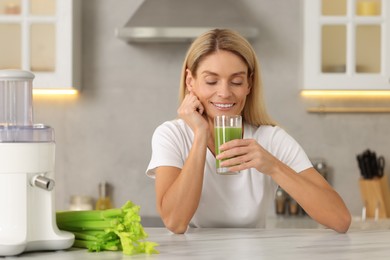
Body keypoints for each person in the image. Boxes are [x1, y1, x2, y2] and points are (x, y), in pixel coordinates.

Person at [146, 28, 351, 234]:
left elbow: (340, 220)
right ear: (190, 81)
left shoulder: (270, 138)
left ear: (249, 84)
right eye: (211, 81)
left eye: (236, 81)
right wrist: (200, 135)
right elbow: (175, 222)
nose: (225, 93)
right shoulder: (171, 135)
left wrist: (273, 167)